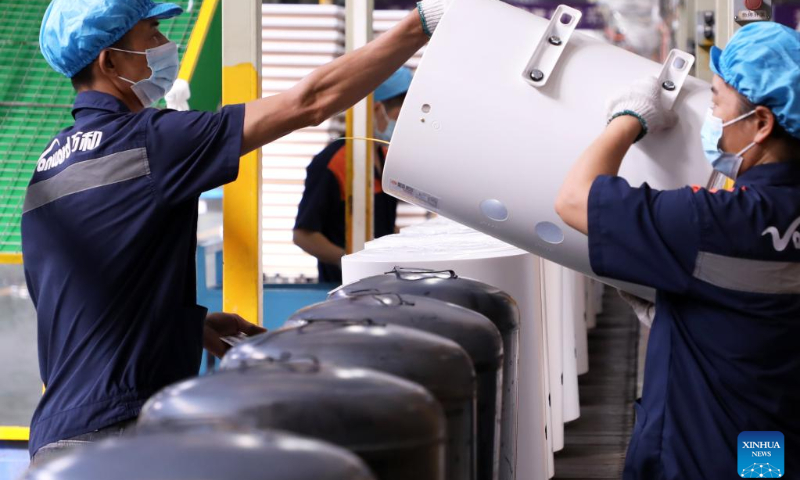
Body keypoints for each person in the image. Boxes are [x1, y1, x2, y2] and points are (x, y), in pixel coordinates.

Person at [26, 0, 446, 466]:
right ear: (109, 60)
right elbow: (308, 103)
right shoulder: (150, 142)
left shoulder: (48, 167)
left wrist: (191, 325)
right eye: (152, 35)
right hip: (121, 437)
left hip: (60, 438)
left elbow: (87, 291)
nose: (168, 47)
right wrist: (417, 26)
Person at [555, 22, 800, 479]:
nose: (711, 120)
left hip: (701, 456)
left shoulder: (713, 221)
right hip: (769, 447)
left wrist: (628, 118)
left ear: (762, 123)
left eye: (716, 103)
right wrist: (685, 315)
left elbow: (574, 199)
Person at [293, 67, 411, 284]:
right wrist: (351, 261)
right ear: (376, 110)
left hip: (383, 284)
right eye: (400, 115)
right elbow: (304, 235)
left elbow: (381, 222)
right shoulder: (333, 163)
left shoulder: (383, 156)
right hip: (343, 287)